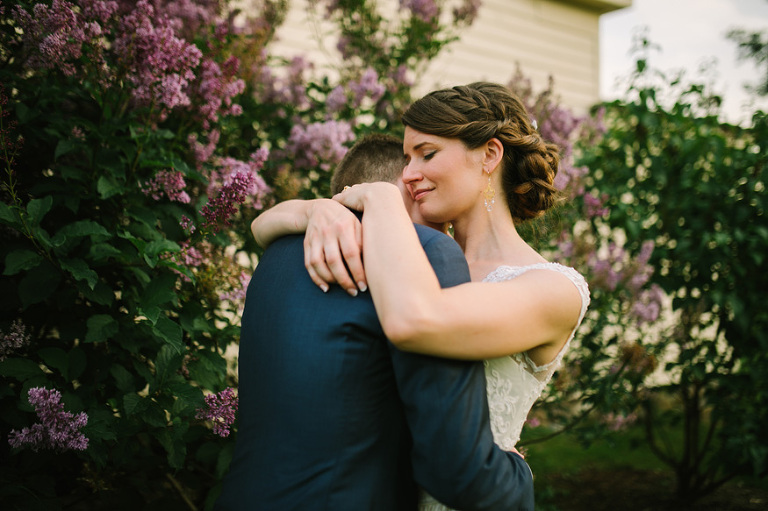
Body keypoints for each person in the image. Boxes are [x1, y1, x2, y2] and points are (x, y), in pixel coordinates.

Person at [251, 82, 591, 511]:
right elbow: (263, 226)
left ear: (489, 155)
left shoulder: (554, 288)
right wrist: (314, 209)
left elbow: (418, 319)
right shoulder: (411, 259)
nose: (408, 174)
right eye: (407, 158)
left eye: (426, 155)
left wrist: (379, 197)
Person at [215, 133, 534, 511]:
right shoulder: (428, 253)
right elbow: (455, 469)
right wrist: (516, 473)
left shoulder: (276, 254)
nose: (446, 231)